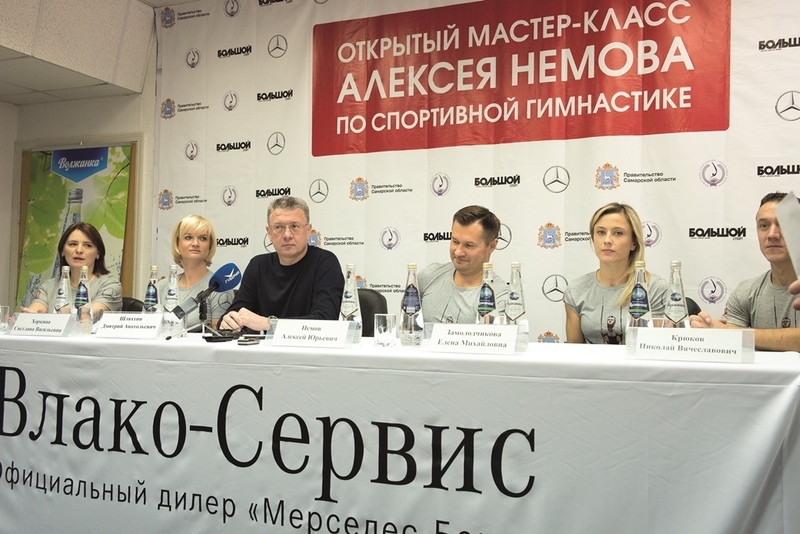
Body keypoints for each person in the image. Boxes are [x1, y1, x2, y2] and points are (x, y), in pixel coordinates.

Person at [691, 192, 800, 351]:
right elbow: (729, 343)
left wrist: (730, 334)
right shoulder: (746, 292)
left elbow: (730, 335)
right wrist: (707, 328)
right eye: (764, 226)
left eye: (783, 224)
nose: (772, 234)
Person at [219, 196, 344, 332]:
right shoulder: (258, 266)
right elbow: (234, 314)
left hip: (309, 345)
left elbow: (325, 321)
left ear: (308, 230)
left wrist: (269, 324)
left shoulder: (325, 263)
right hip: (264, 346)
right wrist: (229, 321)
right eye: (278, 227)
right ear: (269, 233)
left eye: (295, 226)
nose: (287, 235)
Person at [564, 202, 668, 344]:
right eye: (601, 232)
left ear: (634, 242)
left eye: (618, 233)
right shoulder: (576, 290)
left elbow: (659, 347)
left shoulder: (655, 289)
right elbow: (574, 351)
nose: (607, 240)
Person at [418, 205, 508, 323]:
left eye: (469, 245)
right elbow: (408, 326)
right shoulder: (428, 276)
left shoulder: (500, 297)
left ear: (492, 246)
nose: (458, 252)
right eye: (455, 241)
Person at [23, 222, 122, 314]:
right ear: (62, 251)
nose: (79, 250)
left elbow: (88, 316)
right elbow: (33, 314)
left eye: (88, 245)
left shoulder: (110, 286)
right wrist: (28, 318)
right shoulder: (48, 287)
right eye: (73, 244)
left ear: (98, 254)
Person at [158, 214, 235, 331]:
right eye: (188, 237)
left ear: (210, 246)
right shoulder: (161, 286)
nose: (195, 243)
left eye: (203, 238)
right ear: (177, 243)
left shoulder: (219, 287)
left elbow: (219, 336)